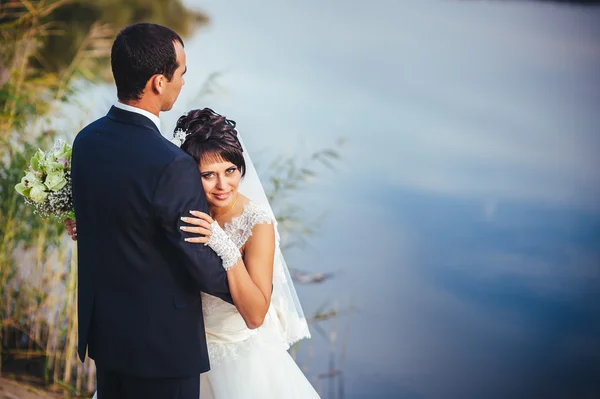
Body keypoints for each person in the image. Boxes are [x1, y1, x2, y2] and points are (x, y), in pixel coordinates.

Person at [67, 108, 320, 398]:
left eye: (231, 171)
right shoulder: (177, 207)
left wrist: (224, 246)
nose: (223, 186)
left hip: (236, 364)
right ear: (188, 172)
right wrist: (89, 227)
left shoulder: (257, 223)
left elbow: (255, 315)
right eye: (208, 175)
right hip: (174, 350)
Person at [69, 23, 232, 399]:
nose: (182, 83)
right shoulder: (172, 164)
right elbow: (195, 256)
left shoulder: (87, 140)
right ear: (158, 82)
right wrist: (246, 288)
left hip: (107, 335)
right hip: (163, 348)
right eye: (181, 74)